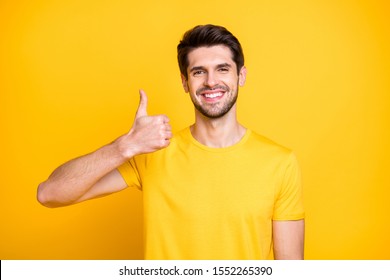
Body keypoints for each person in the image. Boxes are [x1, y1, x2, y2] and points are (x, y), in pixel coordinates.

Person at [37, 24, 305, 260]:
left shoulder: (279, 163)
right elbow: (50, 194)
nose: (211, 81)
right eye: (198, 72)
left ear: (241, 76)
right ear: (185, 82)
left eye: (222, 69)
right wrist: (125, 146)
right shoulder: (152, 153)